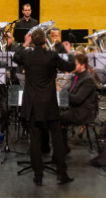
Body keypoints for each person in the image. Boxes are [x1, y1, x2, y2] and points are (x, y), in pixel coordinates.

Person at [13, 29, 74, 186]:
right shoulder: (51, 56)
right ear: (46, 40)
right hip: (49, 103)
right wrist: (68, 51)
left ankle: (38, 177)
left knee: (35, 141)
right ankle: (61, 174)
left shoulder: (26, 55)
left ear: (32, 41)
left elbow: (15, 57)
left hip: (32, 104)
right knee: (57, 139)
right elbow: (71, 65)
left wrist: (24, 44)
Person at [57, 53, 97, 154]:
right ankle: (63, 146)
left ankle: (62, 148)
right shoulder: (78, 76)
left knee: (56, 118)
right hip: (76, 108)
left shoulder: (87, 79)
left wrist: (61, 91)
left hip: (82, 112)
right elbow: (71, 92)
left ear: (82, 65)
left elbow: (77, 99)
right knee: (54, 111)